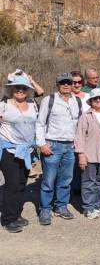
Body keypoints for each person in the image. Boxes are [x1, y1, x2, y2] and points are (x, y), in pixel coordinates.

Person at [36, 73, 83, 225]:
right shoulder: (49, 100)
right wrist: (42, 144)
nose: (66, 85)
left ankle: (61, 206)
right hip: (52, 144)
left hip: (70, 146)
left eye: (69, 82)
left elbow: (79, 124)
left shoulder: (77, 101)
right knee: (49, 180)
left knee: (66, 179)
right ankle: (45, 209)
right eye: (62, 82)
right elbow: (40, 123)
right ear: (57, 84)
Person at [0, 76, 37, 233]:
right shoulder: (3, 106)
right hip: (9, 150)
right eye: (16, 87)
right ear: (11, 90)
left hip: (27, 151)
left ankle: (16, 214)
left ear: (28, 90)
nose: (20, 90)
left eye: (23, 87)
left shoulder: (32, 104)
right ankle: (8, 219)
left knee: (22, 184)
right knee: (12, 184)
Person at [74, 88, 100, 219]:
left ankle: (98, 204)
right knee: (88, 181)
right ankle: (88, 207)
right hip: (90, 154)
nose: (98, 100)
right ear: (91, 101)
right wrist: (81, 155)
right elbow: (79, 136)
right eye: (95, 98)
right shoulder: (86, 116)